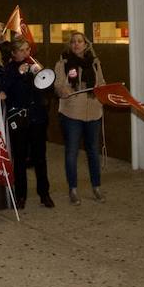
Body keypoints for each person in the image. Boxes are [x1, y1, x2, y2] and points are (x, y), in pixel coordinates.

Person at [53, 31, 106, 205]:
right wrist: (63, 90)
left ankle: (96, 187)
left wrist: (103, 89)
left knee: (93, 152)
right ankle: (73, 189)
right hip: (71, 113)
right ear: (70, 44)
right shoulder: (63, 62)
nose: (76, 44)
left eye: (79, 41)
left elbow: (102, 82)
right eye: (73, 42)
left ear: (86, 44)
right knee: (72, 152)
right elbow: (58, 84)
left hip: (93, 113)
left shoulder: (94, 62)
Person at [2, 38, 54, 209]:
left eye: (27, 49)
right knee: (20, 158)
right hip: (19, 119)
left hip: (37, 118)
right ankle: (21, 195)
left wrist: (40, 74)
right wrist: (18, 73)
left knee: (40, 157)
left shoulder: (35, 65)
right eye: (22, 50)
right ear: (14, 53)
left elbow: (47, 88)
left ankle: (44, 193)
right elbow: (5, 89)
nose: (26, 53)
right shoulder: (9, 69)